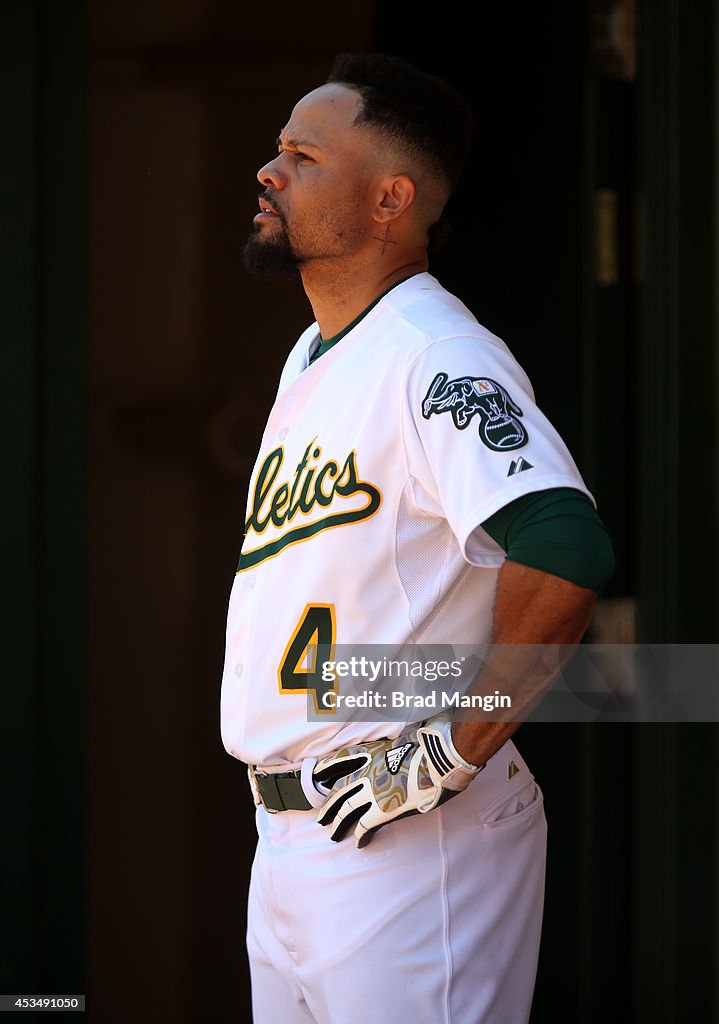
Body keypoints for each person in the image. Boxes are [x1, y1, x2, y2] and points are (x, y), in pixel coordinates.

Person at [220, 52, 614, 1024]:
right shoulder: (313, 354)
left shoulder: (434, 355)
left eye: (302, 157)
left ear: (390, 198)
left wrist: (451, 744)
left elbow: (564, 549)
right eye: (277, 152)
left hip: (407, 838)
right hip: (293, 844)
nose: (269, 173)